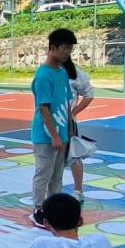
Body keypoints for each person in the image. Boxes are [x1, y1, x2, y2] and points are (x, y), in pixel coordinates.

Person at [30, 30, 75, 226]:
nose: (67, 53)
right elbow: (44, 108)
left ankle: (55, 207)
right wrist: (55, 135)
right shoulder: (42, 76)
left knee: (57, 175)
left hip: (62, 132)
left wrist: (69, 126)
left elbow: (66, 102)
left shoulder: (62, 72)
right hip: (46, 135)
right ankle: (38, 209)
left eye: (70, 49)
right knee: (44, 173)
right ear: (53, 48)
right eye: (65, 49)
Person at [65, 58, 95, 202]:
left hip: (68, 122)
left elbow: (89, 95)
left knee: (74, 156)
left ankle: (78, 190)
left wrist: (73, 112)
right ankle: (50, 189)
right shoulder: (46, 71)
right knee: (49, 157)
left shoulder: (75, 72)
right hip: (49, 122)